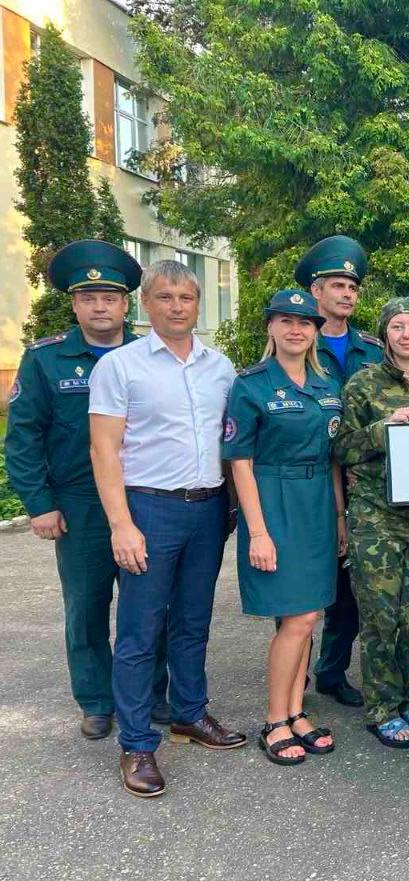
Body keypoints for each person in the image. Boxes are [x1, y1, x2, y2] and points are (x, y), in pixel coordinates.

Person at [88, 260, 246, 799]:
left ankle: (189, 714)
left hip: (207, 510)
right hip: (148, 510)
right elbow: (104, 449)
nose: (177, 306)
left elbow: (232, 444)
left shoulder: (220, 367)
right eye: (165, 297)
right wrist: (121, 525)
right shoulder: (120, 366)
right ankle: (136, 743)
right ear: (146, 304)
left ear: (197, 303)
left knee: (193, 621)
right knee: (139, 630)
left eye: (186, 297)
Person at [4, 240, 169, 738]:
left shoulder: (151, 355)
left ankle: (149, 692)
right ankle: (96, 699)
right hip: (80, 505)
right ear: (74, 303)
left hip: (145, 497)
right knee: (87, 604)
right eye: (89, 297)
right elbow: (24, 437)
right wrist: (39, 504)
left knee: (149, 603)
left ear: (126, 304)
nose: (100, 307)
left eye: (110, 297)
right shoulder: (46, 360)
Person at [222, 289, 344, 765]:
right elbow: (240, 462)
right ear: (270, 327)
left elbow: (334, 458)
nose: (297, 329)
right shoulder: (251, 385)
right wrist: (258, 531)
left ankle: (296, 712)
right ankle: (275, 719)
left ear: (316, 330)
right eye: (286, 321)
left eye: (306, 322)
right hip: (274, 500)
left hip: (317, 502)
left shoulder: (326, 381)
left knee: (310, 614)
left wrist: (339, 517)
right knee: (295, 619)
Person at [335, 297, 409, 751]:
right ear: (385, 334)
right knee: (381, 617)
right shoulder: (363, 384)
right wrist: (382, 428)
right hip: (376, 515)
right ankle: (382, 707)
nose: (407, 335)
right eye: (398, 327)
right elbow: (342, 448)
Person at [294, 235, 381, 708]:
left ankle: (331, 671)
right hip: (309, 479)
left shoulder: (371, 349)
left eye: (352, 286)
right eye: (336, 285)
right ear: (315, 292)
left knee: (350, 588)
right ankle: (293, 681)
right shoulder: (298, 343)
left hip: (362, 478)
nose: (346, 293)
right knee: (305, 586)